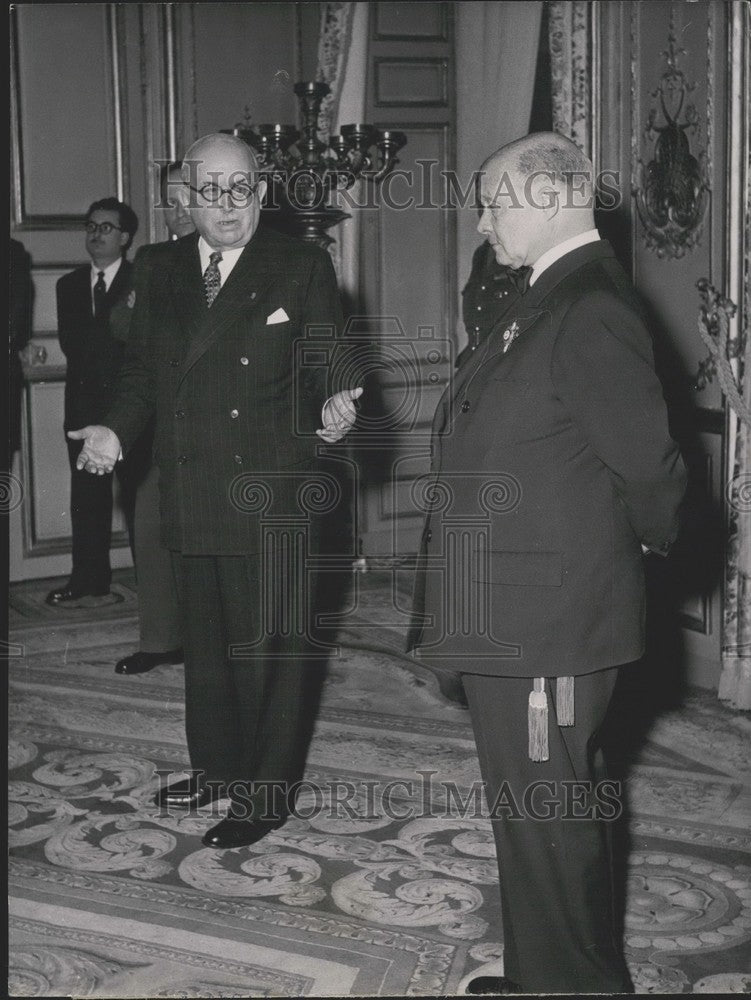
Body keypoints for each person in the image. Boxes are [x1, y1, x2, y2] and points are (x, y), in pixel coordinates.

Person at [408, 132, 687, 994]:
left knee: (548, 815)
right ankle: (550, 975)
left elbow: (650, 470)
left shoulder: (588, 305)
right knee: (542, 813)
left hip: (547, 624)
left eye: (492, 200)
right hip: (523, 613)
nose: (483, 218)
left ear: (543, 198)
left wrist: (620, 555)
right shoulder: (543, 294)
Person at [69, 133, 361, 850]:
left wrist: (338, 406)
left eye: (241, 189)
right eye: (210, 191)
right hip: (194, 484)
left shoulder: (299, 263)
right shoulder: (161, 267)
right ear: (186, 200)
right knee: (208, 648)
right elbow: (143, 376)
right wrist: (113, 430)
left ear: (260, 192)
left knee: (270, 652)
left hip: (273, 492)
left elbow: (333, 360)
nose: (227, 206)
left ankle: (264, 795)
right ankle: (218, 769)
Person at [113, 162, 195, 676]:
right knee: (150, 526)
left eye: (185, 196)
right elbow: (122, 321)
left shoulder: (244, 256)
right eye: (167, 199)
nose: (176, 209)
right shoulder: (151, 258)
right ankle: (161, 639)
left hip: (222, 421)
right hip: (163, 418)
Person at [46, 199, 140, 606]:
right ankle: (87, 580)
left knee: (139, 499)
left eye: (106, 227)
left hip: (131, 407)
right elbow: (73, 345)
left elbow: (138, 346)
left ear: (125, 237)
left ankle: (153, 586)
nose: (96, 233)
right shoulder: (67, 285)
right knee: (86, 500)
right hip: (82, 409)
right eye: (91, 226)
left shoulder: (143, 280)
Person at [456, 240, 519, 369]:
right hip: (475, 353)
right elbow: (474, 293)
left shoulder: (516, 250)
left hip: (503, 357)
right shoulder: (481, 252)